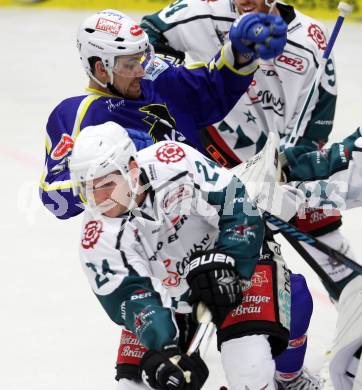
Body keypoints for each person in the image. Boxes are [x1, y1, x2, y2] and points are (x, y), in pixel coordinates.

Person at [141, 1, 339, 388]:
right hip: (201, 164)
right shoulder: (203, 12)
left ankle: (290, 374)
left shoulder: (310, 42)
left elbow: (317, 123)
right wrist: (178, 90)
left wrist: (289, 171)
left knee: (296, 287)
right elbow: (143, 39)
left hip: (265, 173)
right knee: (178, 285)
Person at [69, 121, 295, 390]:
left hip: (238, 264)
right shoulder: (96, 235)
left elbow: (236, 204)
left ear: (131, 168)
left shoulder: (174, 162)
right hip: (169, 294)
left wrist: (230, 263)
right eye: (87, 188)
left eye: (105, 184)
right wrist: (165, 348)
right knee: (136, 384)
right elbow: (130, 296)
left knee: (249, 368)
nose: (97, 199)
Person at [39, 8, 287, 220]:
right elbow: (53, 196)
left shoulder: (156, 77)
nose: (140, 70)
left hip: (220, 211)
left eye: (141, 58)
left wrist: (242, 53)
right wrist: (107, 168)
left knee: (284, 278)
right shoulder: (76, 116)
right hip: (154, 244)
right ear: (100, 69)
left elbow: (209, 91)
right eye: (129, 64)